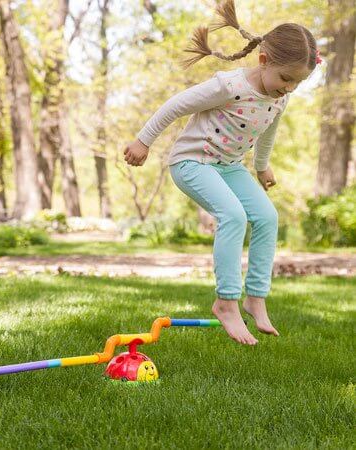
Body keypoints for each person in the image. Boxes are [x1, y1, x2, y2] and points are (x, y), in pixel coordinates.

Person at [123, 0, 321, 345]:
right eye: (285, 78)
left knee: (267, 217)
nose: (288, 88)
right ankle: (226, 302)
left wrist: (262, 167)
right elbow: (175, 105)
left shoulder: (280, 96)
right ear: (263, 61)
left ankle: (255, 298)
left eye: (297, 83)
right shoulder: (228, 86)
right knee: (233, 216)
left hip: (229, 167)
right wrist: (144, 141)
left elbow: (267, 130)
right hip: (192, 162)